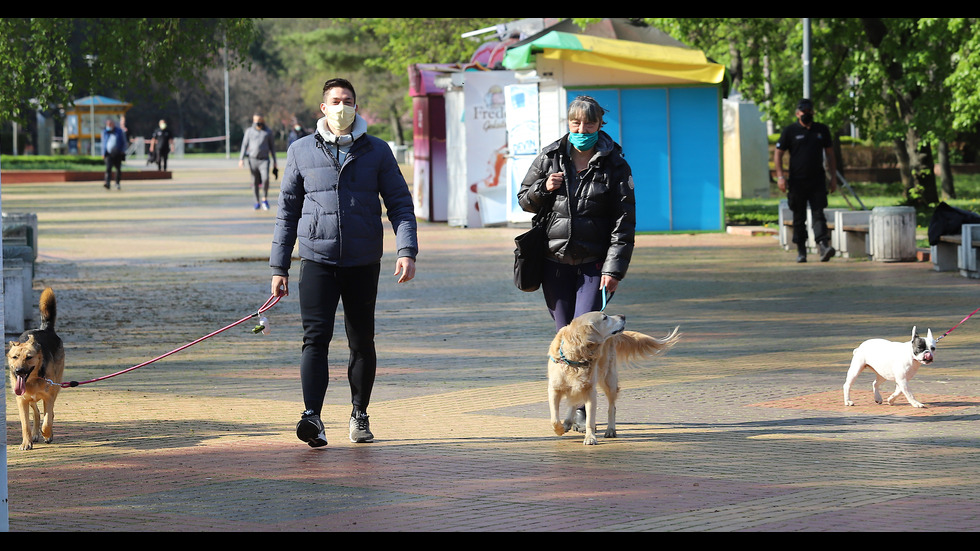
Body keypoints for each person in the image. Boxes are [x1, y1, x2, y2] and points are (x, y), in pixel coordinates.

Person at [270, 78, 418, 448]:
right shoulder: (300, 151)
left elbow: (400, 204)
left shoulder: (378, 151)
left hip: (363, 260)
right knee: (314, 340)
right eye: (335, 101)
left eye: (348, 101)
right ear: (323, 108)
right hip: (316, 260)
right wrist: (279, 268)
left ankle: (359, 414)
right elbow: (287, 213)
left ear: (357, 106)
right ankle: (312, 418)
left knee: (361, 340)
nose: (341, 108)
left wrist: (406, 251)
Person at [517, 95, 636, 431]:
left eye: (588, 123)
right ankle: (570, 399)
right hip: (553, 262)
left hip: (593, 266)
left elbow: (624, 222)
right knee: (564, 335)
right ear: (569, 124)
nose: (581, 129)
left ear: (600, 125)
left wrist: (613, 270)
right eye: (575, 123)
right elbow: (525, 199)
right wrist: (545, 186)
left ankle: (583, 407)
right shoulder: (551, 156)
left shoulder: (615, 165)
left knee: (589, 335)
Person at [774, 98, 838, 263]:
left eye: (809, 112)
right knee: (798, 216)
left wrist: (833, 178)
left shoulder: (821, 130)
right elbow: (778, 154)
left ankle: (823, 246)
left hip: (817, 179)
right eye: (803, 112)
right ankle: (801, 251)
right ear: (797, 114)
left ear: (813, 113)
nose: (806, 115)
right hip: (797, 181)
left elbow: (830, 154)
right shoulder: (790, 131)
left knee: (819, 214)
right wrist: (780, 176)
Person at [239, 112, 278, 210]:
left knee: (265, 179)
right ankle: (257, 201)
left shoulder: (268, 132)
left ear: (263, 120)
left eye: (259, 120)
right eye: (255, 120)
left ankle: (264, 199)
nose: (257, 122)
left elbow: (272, 147)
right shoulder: (249, 131)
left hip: (264, 160)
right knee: (254, 181)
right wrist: (241, 159)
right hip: (252, 160)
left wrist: (275, 161)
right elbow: (244, 145)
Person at [102, 118, 127, 190]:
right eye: (107, 125)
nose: (109, 126)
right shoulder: (105, 132)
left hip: (117, 153)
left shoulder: (119, 132)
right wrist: (103, 153)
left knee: (118, 169)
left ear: (113, 124)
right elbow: (103, 143)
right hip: (108, 154)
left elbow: (124, 142)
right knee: (108, 168)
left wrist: (122, 150)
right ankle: (107, 183)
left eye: (110, 124)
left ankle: (117, 183)